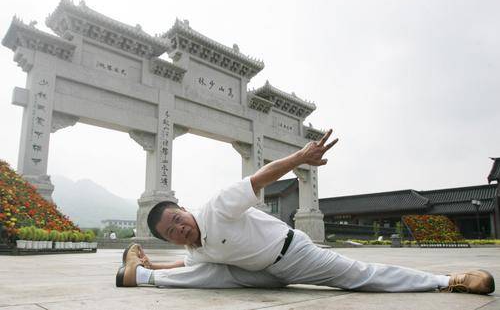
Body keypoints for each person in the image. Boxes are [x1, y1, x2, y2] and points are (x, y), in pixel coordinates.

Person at [116, 129, 495, 294]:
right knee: (205, 276)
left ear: (184, 209)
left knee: (360, 277)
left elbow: (260, 177)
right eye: (170, 232)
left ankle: (449, 281)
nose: (179, 230)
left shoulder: (217, 206)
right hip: (261, 275)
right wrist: (156, 267)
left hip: (292, 255)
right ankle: (141, 277)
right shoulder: (195, 247)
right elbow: (192, 267)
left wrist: (302, 157)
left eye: (177, 220)